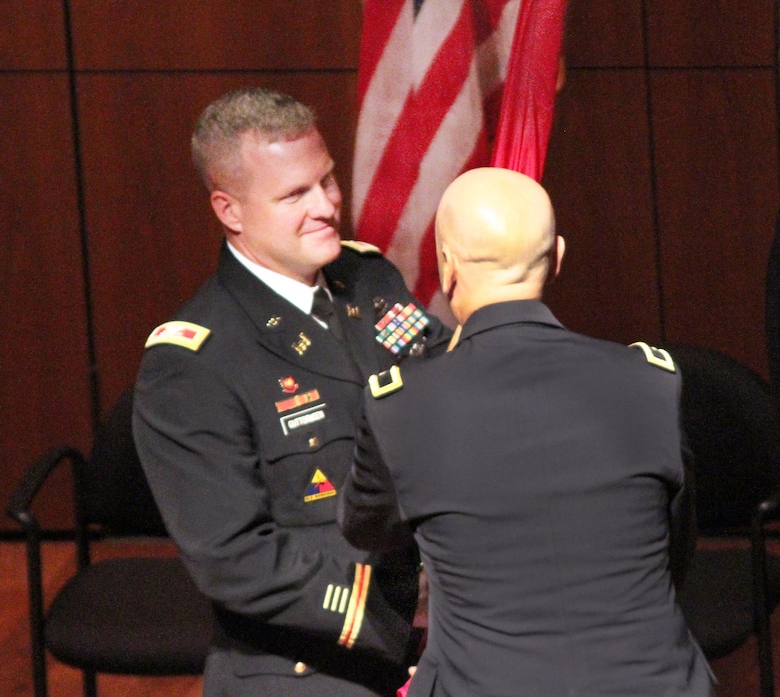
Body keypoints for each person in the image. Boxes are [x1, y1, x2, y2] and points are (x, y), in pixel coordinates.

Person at [338, 167, 715, 697]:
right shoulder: (650, 380)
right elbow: (673, 546)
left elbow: (365, 528)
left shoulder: (399, 404)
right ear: (557, 257)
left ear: (447, 268)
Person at [132, 86, 451, 697]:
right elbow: (232, 558)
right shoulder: (193, 361)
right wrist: (389, 613)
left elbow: (451, 385)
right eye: (294, 194)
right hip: (318, 654)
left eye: (327, 181)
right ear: (230, 211)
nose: (328, 205)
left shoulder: (367, 277)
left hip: (445, 628)